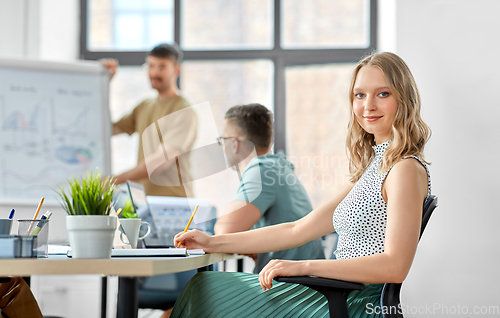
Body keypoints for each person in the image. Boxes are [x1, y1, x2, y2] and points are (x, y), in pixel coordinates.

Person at [170, 52, 432, 318]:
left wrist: (303, 267)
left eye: (383, 94)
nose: (368, 106)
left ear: (404, 99)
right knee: (204, 288)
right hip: (331, 293)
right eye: (360, 95)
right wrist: (213, 242)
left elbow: (395, 266)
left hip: (352, 302)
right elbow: (297, 229)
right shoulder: (376, 167)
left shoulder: (404, 169)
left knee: (205, 289)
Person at [214, 104, 324, 272]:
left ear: (234, 144)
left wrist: (242, 242)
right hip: (304, 280)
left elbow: (225, 231)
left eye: (222, 141)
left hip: (290, 286)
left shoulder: (262, 170)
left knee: (200, 285)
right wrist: (247, 243)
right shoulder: (279, 167)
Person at [101, 43, 197, 197]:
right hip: (144, 201)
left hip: (174, 204)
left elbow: (161, 161)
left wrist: (113, 180)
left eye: (161, 67)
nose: (154, 73)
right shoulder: (145, 106)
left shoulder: (184, 111)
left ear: (176, 70)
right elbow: (106, 130)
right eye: (150, 66)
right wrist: (103, 81)